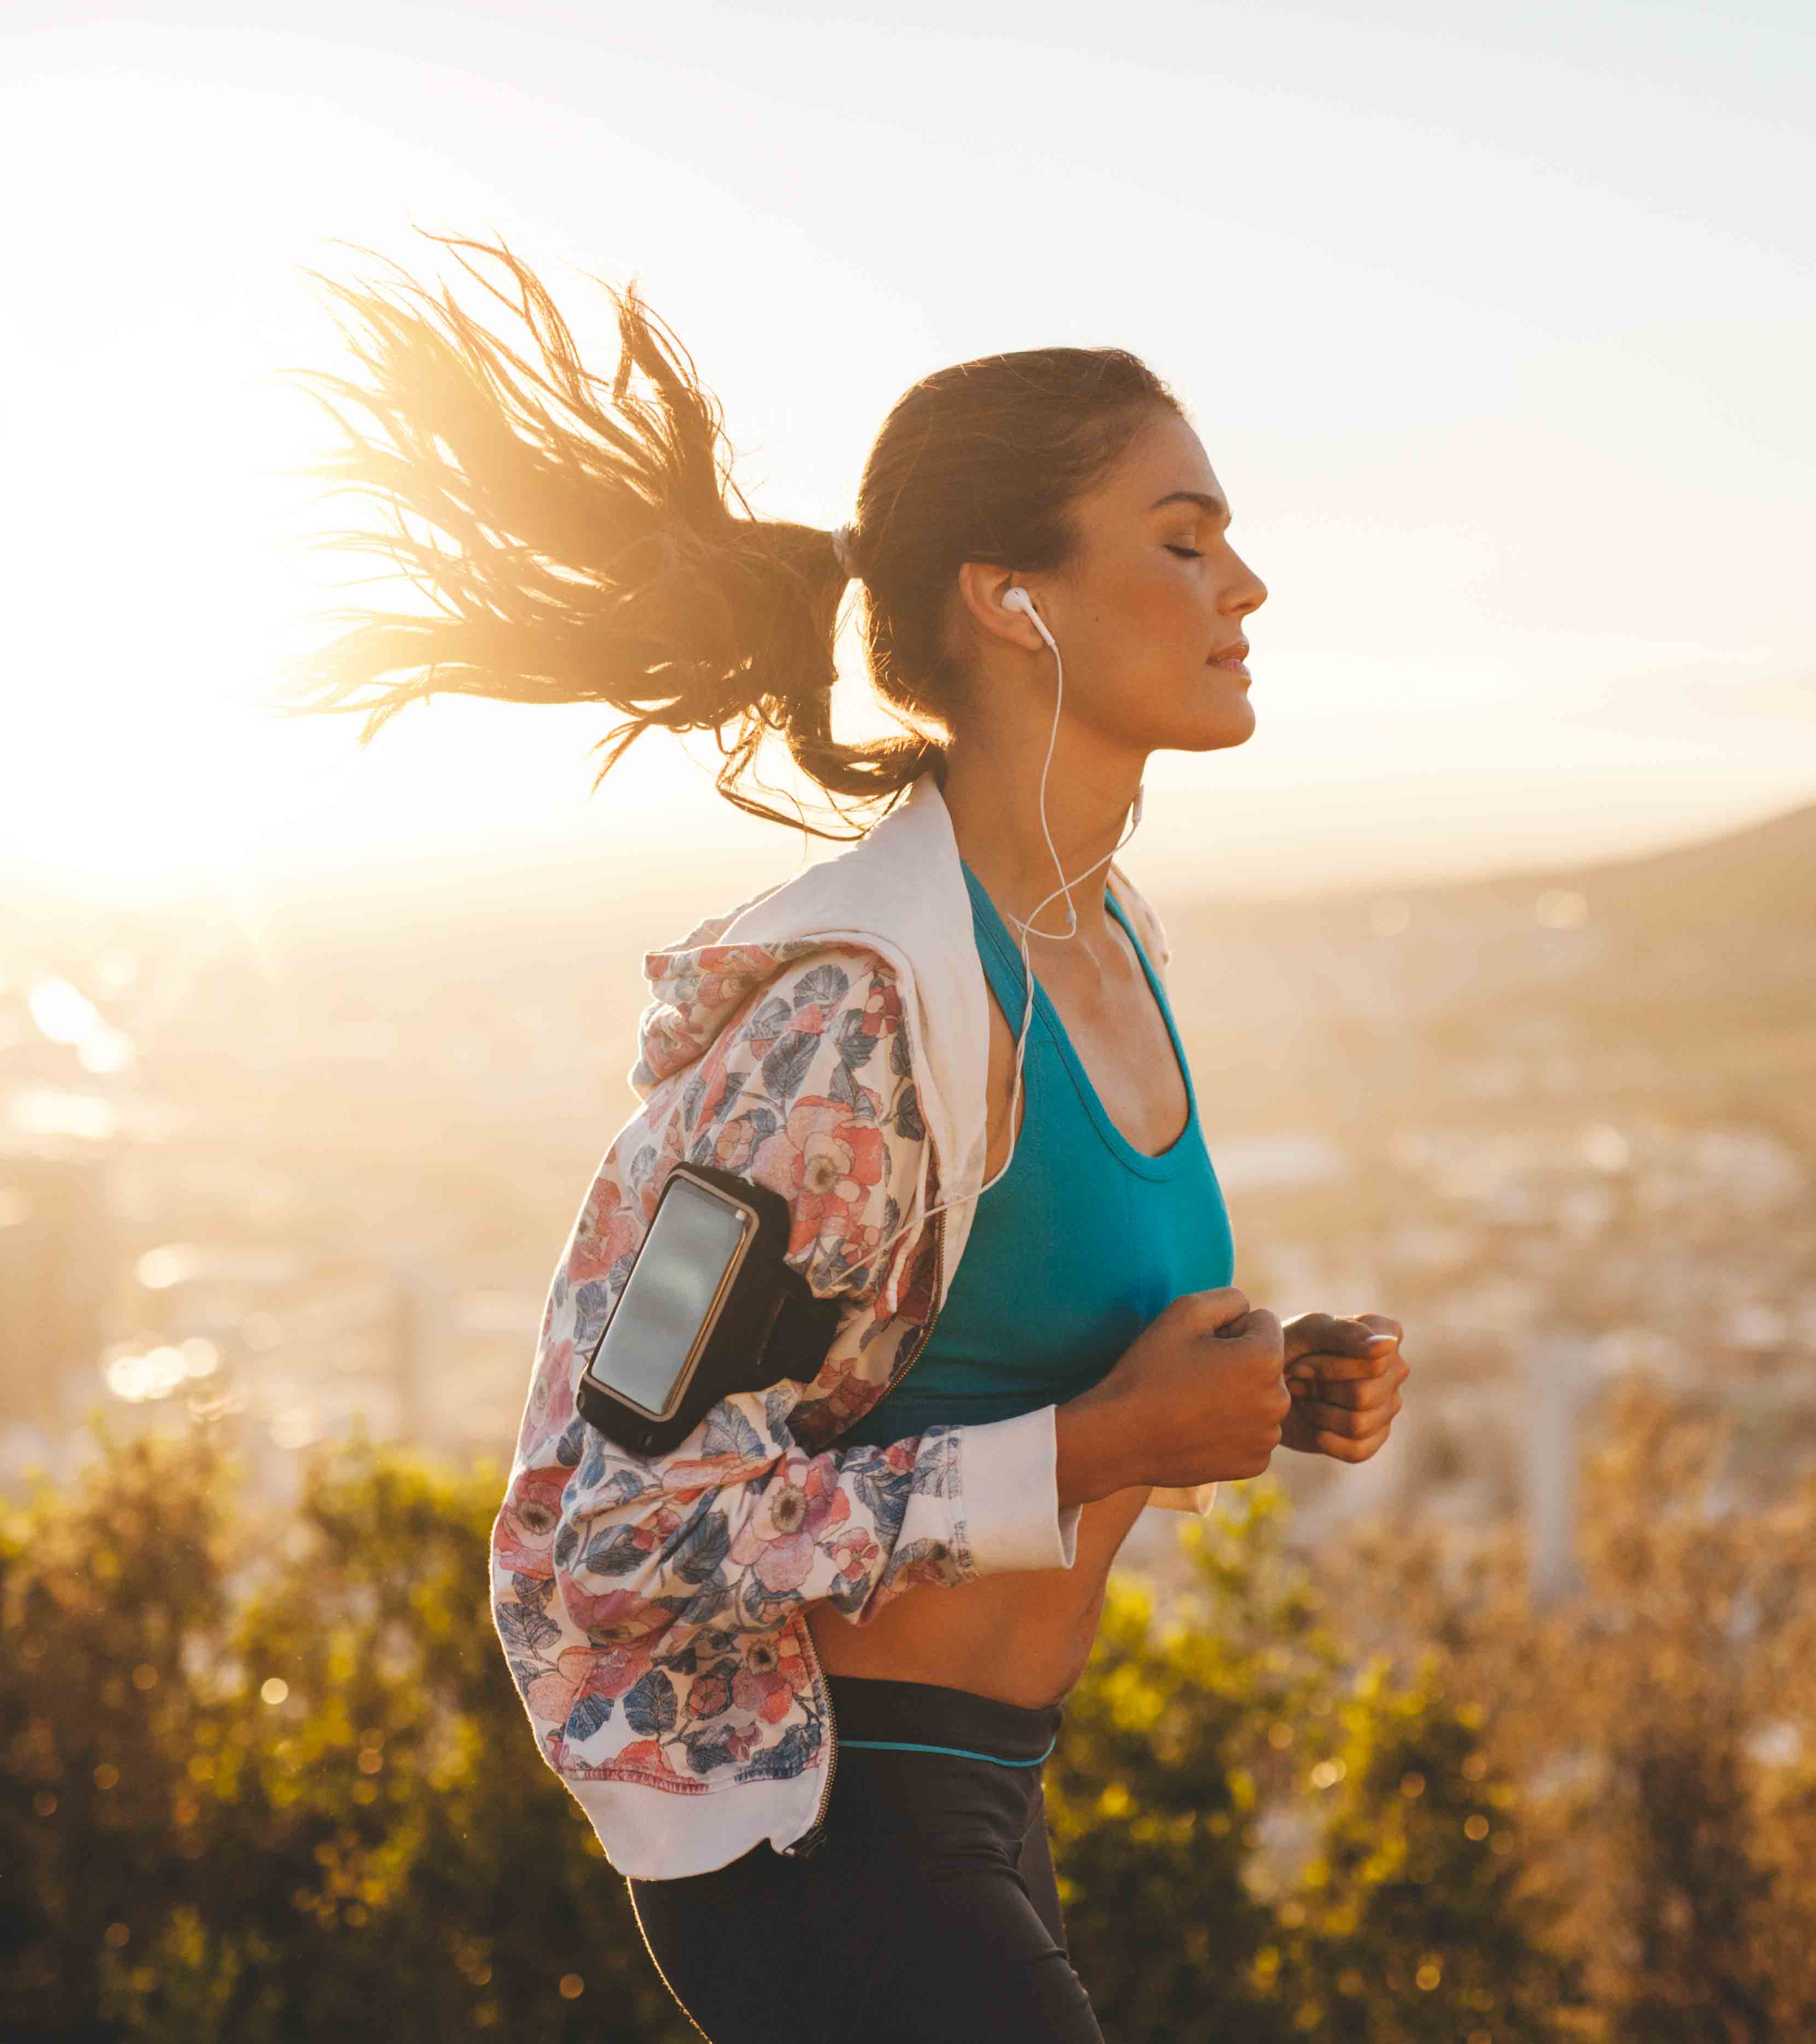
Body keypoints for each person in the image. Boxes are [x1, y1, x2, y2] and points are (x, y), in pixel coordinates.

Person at [282, 233, 1413, 2042]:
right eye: (1184, 539)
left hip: (983, 1804)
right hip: (825, 1837)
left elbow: (998, 1369)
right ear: (1012, 599)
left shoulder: (1112, 947)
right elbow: (612, 1531)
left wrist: (1261, 1386)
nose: (1250, 584)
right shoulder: (847, 1023)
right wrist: (1109, 1438)